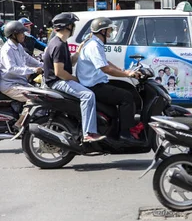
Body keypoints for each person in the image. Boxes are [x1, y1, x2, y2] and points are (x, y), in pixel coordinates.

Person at [76, 17, 142, 144]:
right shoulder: (94, 46)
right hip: (93, 85)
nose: (111, 33)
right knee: (126, 97)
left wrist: (123, 70)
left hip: (96, 82)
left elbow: (106, 62)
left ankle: (118, 127)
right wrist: (127, 75)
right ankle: (125, 134)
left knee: (128, 90)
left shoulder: (96, 44)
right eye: (109, 30)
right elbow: (106, 69)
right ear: (103, 31)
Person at [44, 13, 105, 143]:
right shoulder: (59, 45)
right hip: (57, 82)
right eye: (73, 25)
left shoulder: (60, 42)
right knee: (88, 95)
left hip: (59, 80)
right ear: (68, 26)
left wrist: (79, 50)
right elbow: (59, 72)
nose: (74, 28)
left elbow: (70, 62)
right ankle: (88, 133)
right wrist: (75, 79)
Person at [0, 21, 43, 105]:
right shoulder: (7, 49)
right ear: (13, 35)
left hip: (20, 83)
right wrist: (33, 70)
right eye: (21, 33)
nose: (24, 35)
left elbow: (28, 59)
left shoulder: (18, 46)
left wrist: (44, 66)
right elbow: (11, 68)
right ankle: (23, 119)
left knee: (42, 94)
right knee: (35, 100)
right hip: (10, 85)